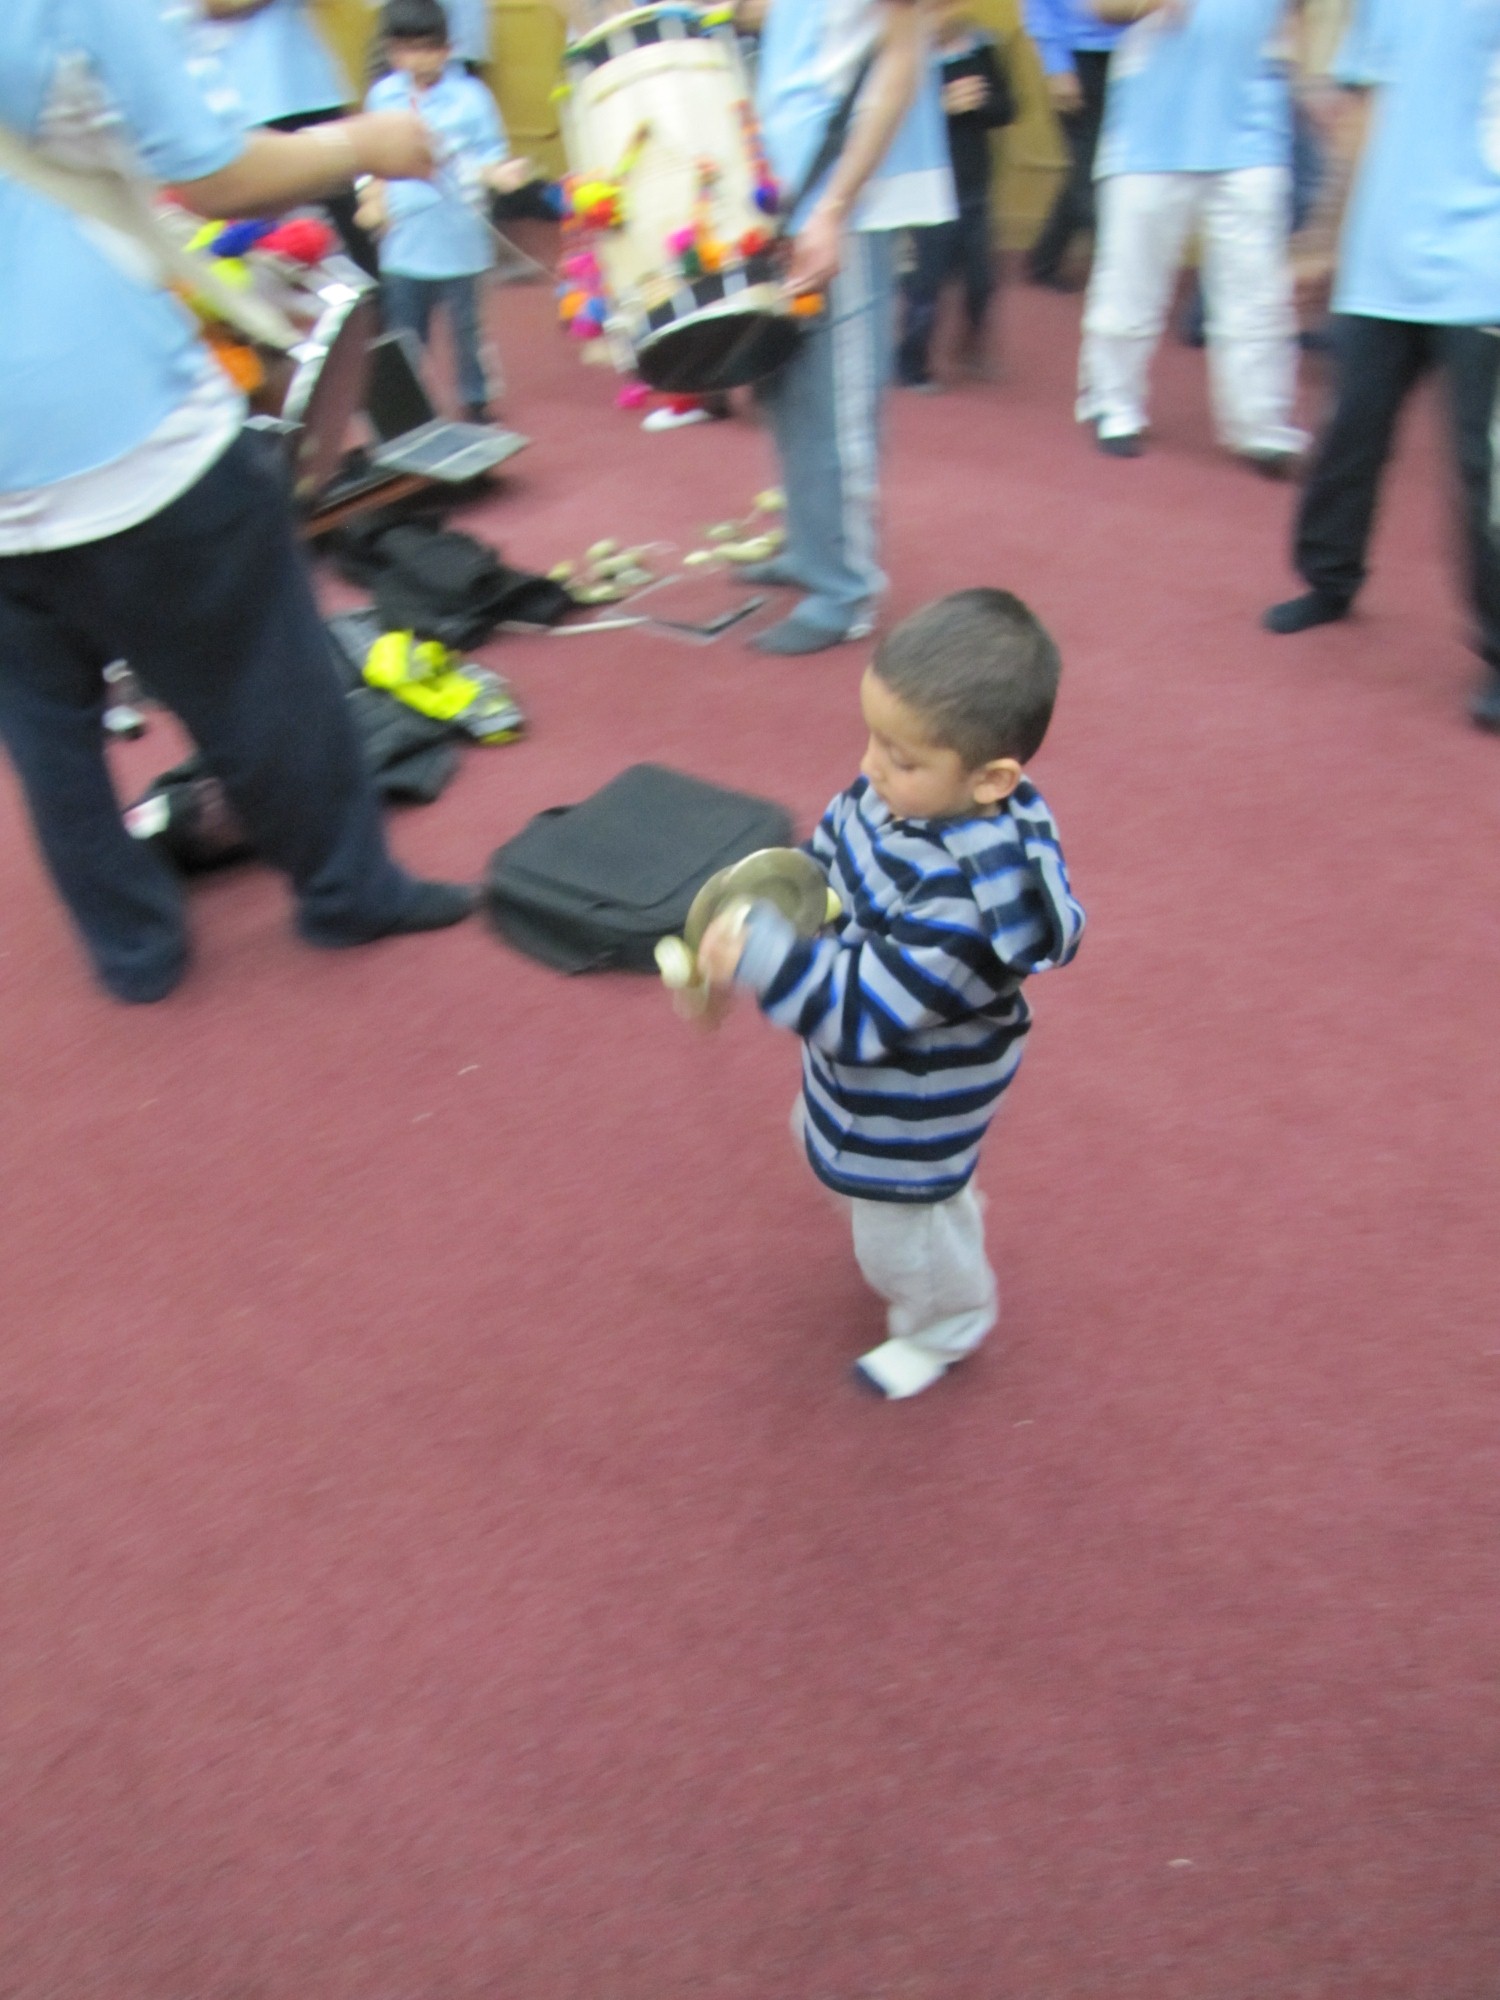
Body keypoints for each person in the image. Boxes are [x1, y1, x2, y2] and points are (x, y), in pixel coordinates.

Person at [0, 0, 475, 1004]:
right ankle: (348, 891)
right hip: (118, 412)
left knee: (46, 727)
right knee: (269, 672)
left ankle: (133, 952)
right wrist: (370, 141)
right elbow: (213, 170)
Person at [690, 589, 1085, 1400]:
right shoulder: (892, 797)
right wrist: (777, 899)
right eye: (873, 738)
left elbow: (863, 1015)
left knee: (898, 1231)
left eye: (901, 756)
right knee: (825, 1142)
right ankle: (941, 1203)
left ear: (990, 779)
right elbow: (829, 858)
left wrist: (765, 954)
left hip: (918, 1086)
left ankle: (946, 1324)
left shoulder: (966, 905)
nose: (872, 766)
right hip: (862, 1072)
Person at [1262, 0, 1500, 734]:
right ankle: (1329, 578)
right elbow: (1363, 113)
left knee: (1480, 465)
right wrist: (1331, 235)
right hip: (1382, 258)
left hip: (1482, 264)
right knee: (1351, 428)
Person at [744, 0, 956, 656]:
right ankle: (811, 547)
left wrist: (834, 208)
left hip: (847, 198)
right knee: (787, 388)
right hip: (790, 185)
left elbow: (901, 61)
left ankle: (845, 590)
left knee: (836, 400)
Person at [1075, 0, 1308, 471]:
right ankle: (1114, 404)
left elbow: (1296, 16)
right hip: (1149, 134)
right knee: (1130, 281)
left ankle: (1261, 425)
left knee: (1257, 291)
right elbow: (1098, 7)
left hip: (1252, 130)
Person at [360, 0, 530, 422]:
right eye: (406, 48)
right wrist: (374, 201)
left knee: (467, 329)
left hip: (461, 237)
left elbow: (493, 154)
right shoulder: (383, 97)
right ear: (390, 50)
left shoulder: (471, 97)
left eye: (428, 47)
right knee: (405, 330)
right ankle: (410, 409)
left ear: (448, 48)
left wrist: (501, 174)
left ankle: (475, 401)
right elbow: (372, 161)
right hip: (405, 238)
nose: (417, 59)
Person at [195, 0, 380, 276]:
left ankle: (380, 302)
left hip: (311, 89)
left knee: (348, 214)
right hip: (250, 101)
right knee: (258, 224)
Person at [895, 2, 1014, 389]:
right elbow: (894, 121)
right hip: (929, 188)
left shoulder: (980, 48)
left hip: (973, 184)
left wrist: (982, 102)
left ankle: (971, 344)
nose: (939, 15)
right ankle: (911, 364)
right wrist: (942, 107)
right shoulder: (905, 55)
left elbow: (1008, 109)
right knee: (925, 285)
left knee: (982, 280)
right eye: (930, 8)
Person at [1023, 0, 1123, 289]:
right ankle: (1118, 274)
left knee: (1092, 169)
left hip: (1141, 52)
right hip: (1079, 57)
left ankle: (1045, 258)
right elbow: (1039, 8)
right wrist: (1056, 65)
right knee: (1089, 173)